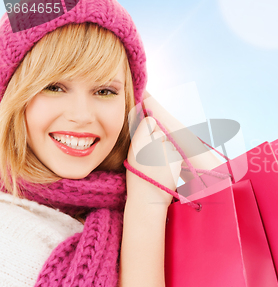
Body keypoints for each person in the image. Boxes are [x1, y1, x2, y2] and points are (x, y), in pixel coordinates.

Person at [0, 0, 222, 286]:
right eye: (54, 87)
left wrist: (145, 103)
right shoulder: (10, 233)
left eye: (104, 91)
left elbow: (239, 203)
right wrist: (146, 209)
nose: (81, 116)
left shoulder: (128, 195)